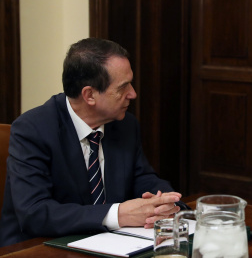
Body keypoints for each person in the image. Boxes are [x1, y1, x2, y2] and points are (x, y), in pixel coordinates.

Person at [0, 38, 189, 247]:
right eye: (123, 87)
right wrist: (119, 214)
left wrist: (165, 204)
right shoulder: (32, 130)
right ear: (89, 95)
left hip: (110, 244)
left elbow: (142, 177)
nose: (133, 94)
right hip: (38, 247)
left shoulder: (125, 125)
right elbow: (34, 213)